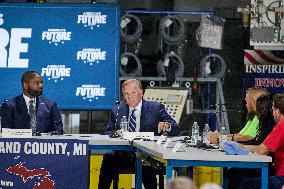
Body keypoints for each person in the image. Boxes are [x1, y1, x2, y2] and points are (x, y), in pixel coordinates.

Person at [99, 79, 180, 189]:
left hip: (148, 154)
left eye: (133, 93)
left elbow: (176, 128)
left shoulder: (155, 108)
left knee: (144, 163)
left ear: (141, 93)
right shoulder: (117, 110)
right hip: (124, 154)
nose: (129, 97)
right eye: (126, 94)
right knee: (108, 156)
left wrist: (167, 126)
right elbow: (108, 132)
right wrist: (115, 132)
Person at [227, 93, 275, 189]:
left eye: (259, 107)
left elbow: (262, 148)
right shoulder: (262, 124)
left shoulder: (271, 126)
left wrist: (241, 146)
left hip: (268, 168)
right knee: (233, 172)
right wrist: (236, 144)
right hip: (262, 164)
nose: (256, 110)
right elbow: (255, 141)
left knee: (241, 179)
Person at [237, 93, 284, 189]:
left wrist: (241, 147)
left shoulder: (281, 127)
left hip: (281, 177)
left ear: (277, 111)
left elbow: (262, 150)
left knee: (245, 184)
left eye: (273, 109)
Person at [0, 71, 63, 135]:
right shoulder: (9, 106)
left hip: (44, 143)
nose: (41, 86)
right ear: (25, 85)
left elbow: (59, 130)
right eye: (36, 83)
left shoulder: (50, 105)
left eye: (41, 83)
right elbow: (6, 132)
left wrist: (46, 135)